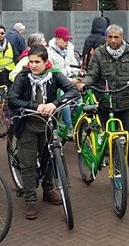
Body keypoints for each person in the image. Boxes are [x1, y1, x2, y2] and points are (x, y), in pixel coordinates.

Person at [7, 46, 79, 219]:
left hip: (48, 125)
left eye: (37, 62)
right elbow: (12, 99)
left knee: (49, 158)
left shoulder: (54, 74)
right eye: (30, 61)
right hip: (27, 126)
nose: (33, 65)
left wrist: (55, 103)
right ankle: (30, 200)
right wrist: (35, 106)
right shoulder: (23, 77)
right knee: (28, 163)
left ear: (45, 62)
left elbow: (73, 91)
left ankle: (48, 190)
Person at [77, 24, 129, 198]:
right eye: (110, 37)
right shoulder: (99, 53)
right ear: (106, 37)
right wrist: (85, 82)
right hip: (105, 103)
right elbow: (92, 73)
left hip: (125, 104)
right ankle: (116, 174)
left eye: (117, 37)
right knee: (111, 142)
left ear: (122, 37)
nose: (113, 40)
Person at [47, 26, 81, 139]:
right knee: (64, 98)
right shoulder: (49, 53)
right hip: (57, 83)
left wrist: (79, 73)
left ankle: (80, 124)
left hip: (71, 80)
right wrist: (69, 77)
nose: (67, 42)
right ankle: (69, 125)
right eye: (64, 40)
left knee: (79, 97)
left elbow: (73, 63)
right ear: (57, 39)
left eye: (68, 39)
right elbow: (52, 71)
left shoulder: (70, 49)